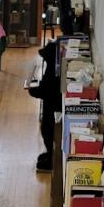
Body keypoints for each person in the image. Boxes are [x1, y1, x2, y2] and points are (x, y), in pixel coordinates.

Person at [28, 41, 61, 172]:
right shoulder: (54, 67)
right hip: (53, 105)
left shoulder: (52, 70)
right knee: (48, 131)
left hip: (51, 107)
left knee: (47, 131)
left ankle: (51, 160)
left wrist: (32, 90)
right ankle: (49, 154)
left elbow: (45, 91)